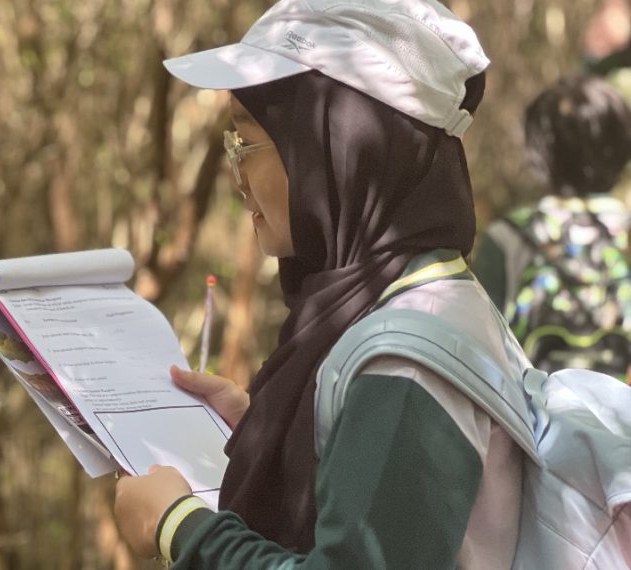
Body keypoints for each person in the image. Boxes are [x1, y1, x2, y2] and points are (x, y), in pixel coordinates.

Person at [111, 0, 526, 567]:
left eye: (247, 143)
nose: (238, 178)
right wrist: (271, 431)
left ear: (333, 149)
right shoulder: (417, 300)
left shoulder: (410, 359)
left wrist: (178, 527)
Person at [472, 76, 631, 379]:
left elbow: (482, 353)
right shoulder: (626, 234)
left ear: (539, 153)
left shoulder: (507, 238)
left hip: (530, 422)